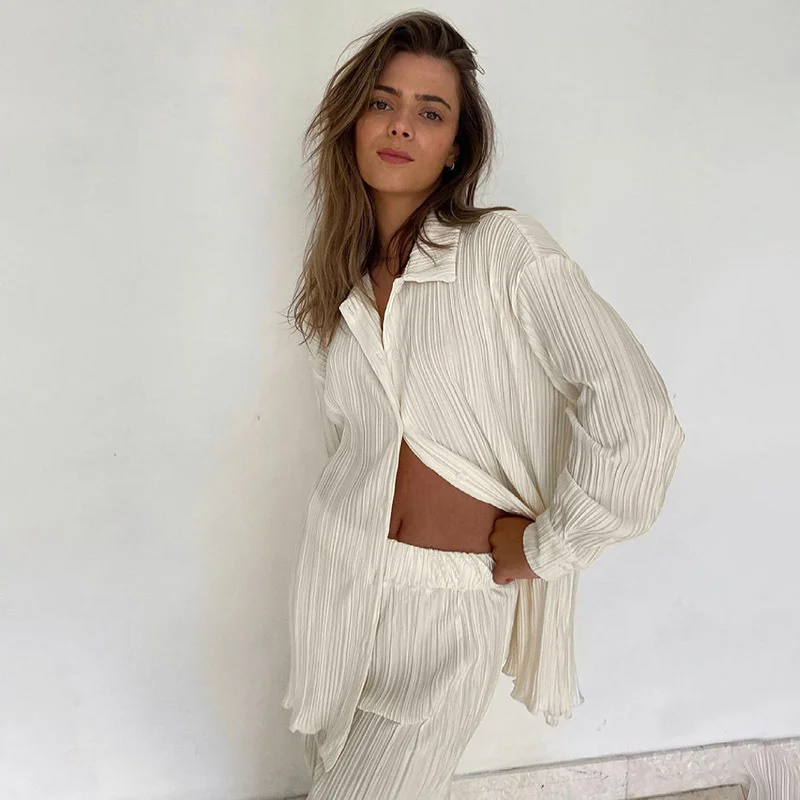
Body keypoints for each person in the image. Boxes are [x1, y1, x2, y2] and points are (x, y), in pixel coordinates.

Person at [281, 10, 685, 800]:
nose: (401, 125)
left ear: (456, 148)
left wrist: (548, 548)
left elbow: (639, 415)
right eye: (382, 102)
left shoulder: (505, 250)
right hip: (339, 587)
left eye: (430, 112)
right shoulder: (344, 284)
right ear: (354, 121)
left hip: (446, 605)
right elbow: (358, 448)